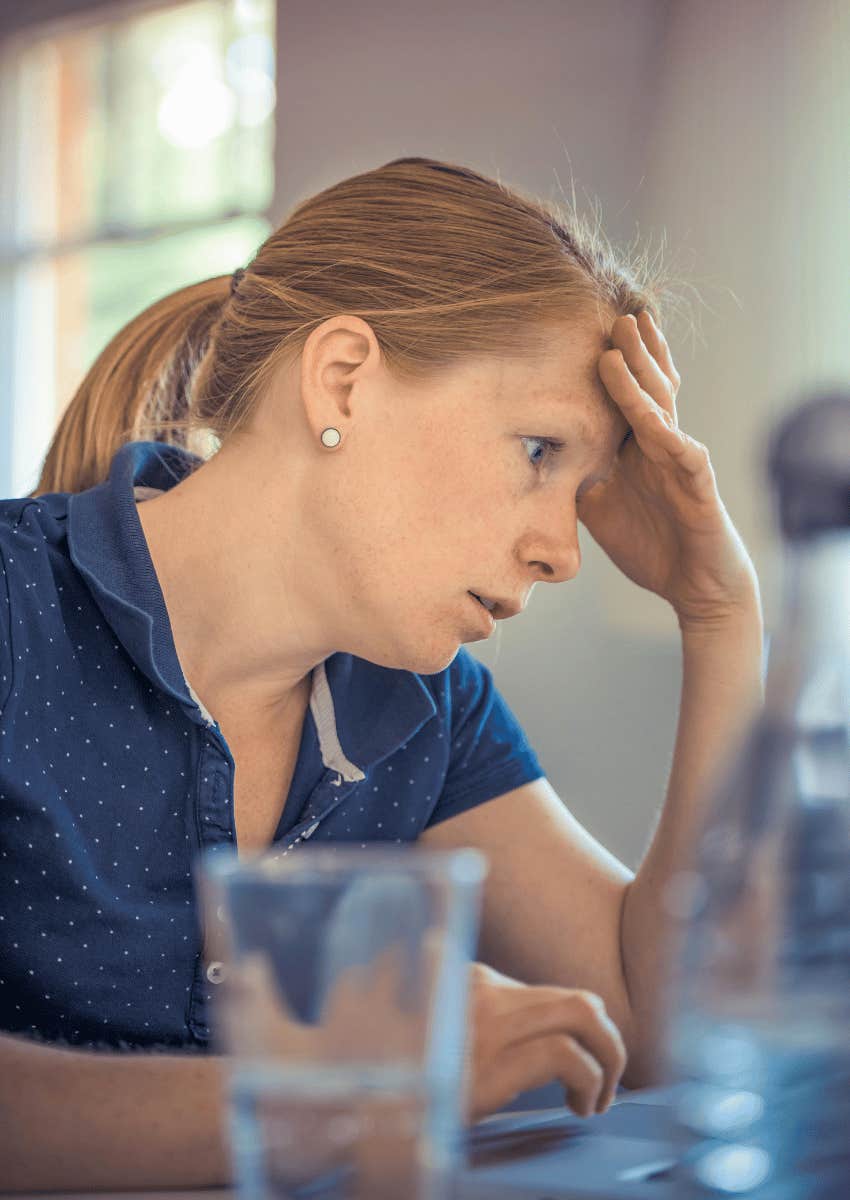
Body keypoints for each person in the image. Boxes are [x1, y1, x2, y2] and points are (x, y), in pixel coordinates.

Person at [0, 155, 764, 1191]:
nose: (564, 551)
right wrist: (350, 1092)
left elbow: (657, 1026)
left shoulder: (423, 707)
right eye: (539, 450)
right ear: (342, 378)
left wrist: (720, 617)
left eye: (581, 489)